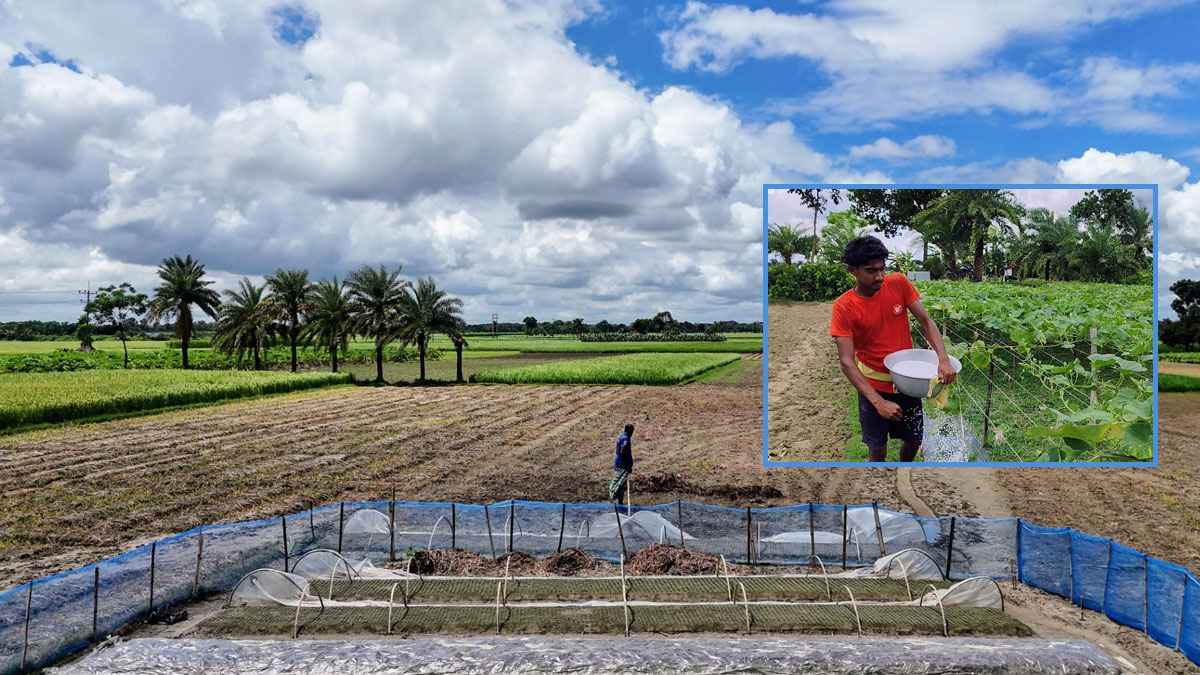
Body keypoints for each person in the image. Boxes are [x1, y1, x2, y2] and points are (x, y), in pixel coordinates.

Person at [830, 236, 955, 462]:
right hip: (872, 386)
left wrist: (943, 359)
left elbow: (926, 321)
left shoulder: (898, 283)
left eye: (882, 269)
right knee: (877, 448)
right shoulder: (844, 307)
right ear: (852, 271)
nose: (879, 276)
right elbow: (847, 362)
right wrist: (878, 403)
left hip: (908, 384)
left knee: (914, 440)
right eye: (871, 271)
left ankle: (905, 468)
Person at [608, 423, 634, 503]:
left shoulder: (621, 436)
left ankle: (620, 502)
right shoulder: (626, 438)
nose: (632, 433)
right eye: (632, 431)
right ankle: (612, 497)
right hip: (623, 465)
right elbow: (624, 448)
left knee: (621, 485)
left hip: (618, 463)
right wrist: (627, 464)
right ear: (630, 431)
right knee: (619, 483)